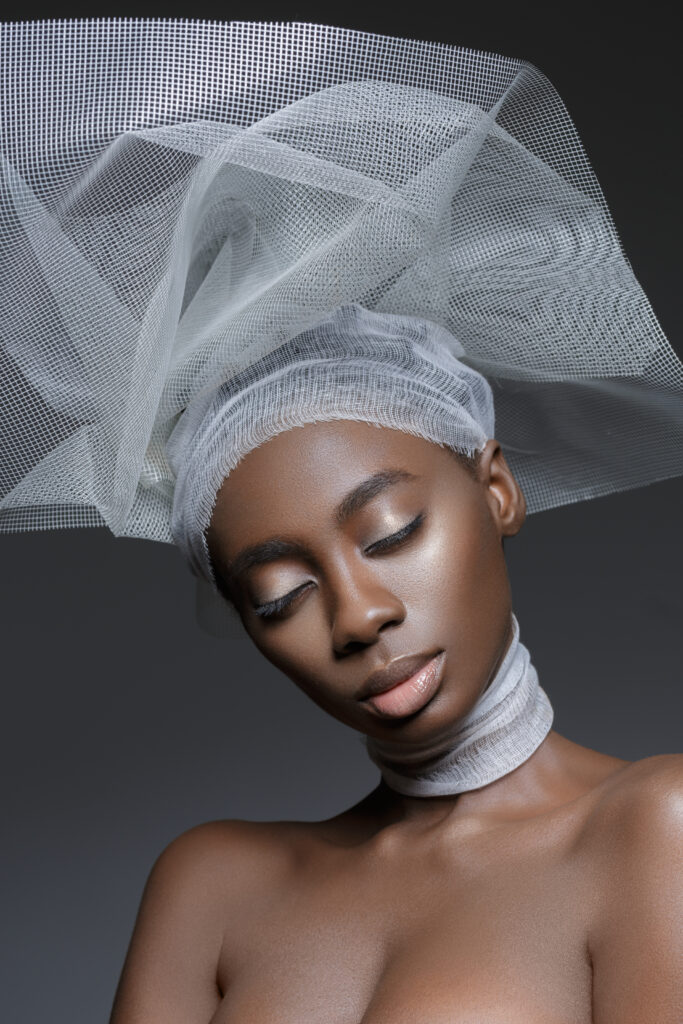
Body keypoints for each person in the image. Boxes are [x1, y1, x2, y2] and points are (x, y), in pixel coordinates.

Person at [0, 18, 681, 1024]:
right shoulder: (210, 889)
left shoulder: (652, 832)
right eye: (279, 593)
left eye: (392, 533)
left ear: (495, 488)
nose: (357, 615)